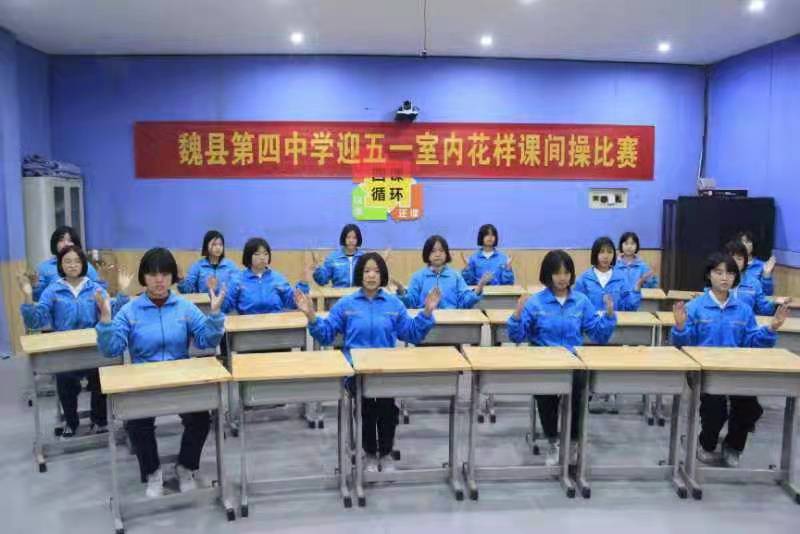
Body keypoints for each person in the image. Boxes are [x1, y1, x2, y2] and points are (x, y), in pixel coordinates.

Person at [96, 247, 227, 497]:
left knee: (201, 419)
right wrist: (105, 322)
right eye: (153, 274)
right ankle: (152, 472)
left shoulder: (184, 307)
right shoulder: (130, 310)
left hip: (181, 379)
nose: (159, 280)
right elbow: (111, 348)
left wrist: (215, 316)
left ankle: (186, 467)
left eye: (165, 274)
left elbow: (206, 341)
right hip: (144, 382)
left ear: (172, 277)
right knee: (137, 424)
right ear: (143, 277)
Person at [295, 252, 440, 473]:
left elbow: (412, 333)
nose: (371, 275)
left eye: (376, 271)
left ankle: (386, 452)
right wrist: (312, 317)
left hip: (385, 371)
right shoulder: (346, 304)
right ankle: (370, 454)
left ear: (382, 275)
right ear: (359, 274)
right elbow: (326, 335)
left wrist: (427, 313)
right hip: (356, 372)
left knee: (387, 409)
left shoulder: (394, 303)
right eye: (366, 271)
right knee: (367, 408)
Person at [671, 252, 788, 467]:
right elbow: (682, 346)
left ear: (736, 277)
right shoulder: (695, 307)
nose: (725, 277)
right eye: (719, 272)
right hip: (705, 372)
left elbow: (753, 342)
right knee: (715, 411)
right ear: (709, 275)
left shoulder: (743, 310)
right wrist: (679, 327)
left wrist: (771, 328)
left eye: (730, 273)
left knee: (750, 408)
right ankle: (705, 444)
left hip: (737, 371)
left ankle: (733, 446)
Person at [508, 250, 616, 466]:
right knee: (545, 397)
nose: (562, 277)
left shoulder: (581, 301)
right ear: (547, 274)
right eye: (557, 273)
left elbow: (599, 335)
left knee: (579, 394)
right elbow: (517, 336)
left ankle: (573, 443)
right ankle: (553, 442)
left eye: (566, 273)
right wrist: (517, 316)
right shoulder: (536, 303)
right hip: (545, 364)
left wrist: (609, 316)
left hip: (573, 362)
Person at [19, 245, 130, 437]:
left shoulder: (95, 288)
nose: (72, 265)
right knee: (64, 380)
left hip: (93, 349)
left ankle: (99, 420)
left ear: (84, 264)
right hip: (65, 352)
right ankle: (70, 422)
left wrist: (122, 293)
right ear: (60, 265)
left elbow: (114, 315)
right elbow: (35, 321)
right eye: (67, 261)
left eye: (77, 261)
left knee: (101, 377)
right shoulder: (52, 290)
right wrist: (28, 295)